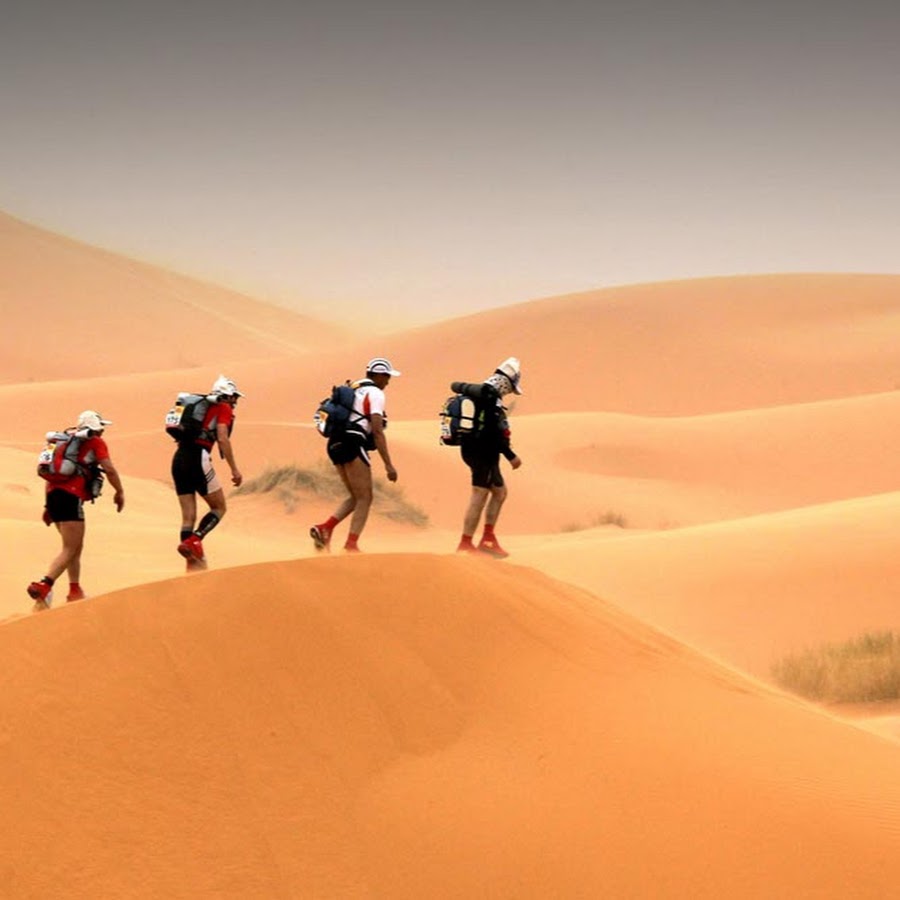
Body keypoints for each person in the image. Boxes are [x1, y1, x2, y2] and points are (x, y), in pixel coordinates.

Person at [27, 410, 125, 610]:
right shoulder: (95, 442)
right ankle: (45, 584)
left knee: (74, 548)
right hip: (70, 498)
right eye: (102, 427)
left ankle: (75, 590)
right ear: (96, 428)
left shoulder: (65, 443)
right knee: (70, 548)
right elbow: (110, 469)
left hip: (54, 497)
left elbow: (52, 478)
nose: (103, 431)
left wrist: (48, 507)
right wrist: (119, 491)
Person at [310, 357, 400, 553]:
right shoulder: (375, 393)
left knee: (356, 496)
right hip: (353, 442)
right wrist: (388, 465)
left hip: (334, 443)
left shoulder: (355, 388)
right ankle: (351, 545)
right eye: (386, 376)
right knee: (365, 498)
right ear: (376, 375)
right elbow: (377, 431)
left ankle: (325, 528)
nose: (388, 381)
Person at [452, 357, 523, 558]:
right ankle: (466, 543)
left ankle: (487, 538)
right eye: (510, 387)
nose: (509, 392)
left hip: (475, 449)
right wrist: (512, 456)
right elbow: (495, 433)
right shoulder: (490, 400)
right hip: (483, 452)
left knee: (499, 492)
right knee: (479, 494)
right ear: (506, 383)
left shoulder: (481, 395)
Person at [172, 375, 244, 570]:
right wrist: (234, 469)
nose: (235, 401)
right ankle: (195, 540)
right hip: (198, 456)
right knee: (219, 507)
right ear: (226, 396)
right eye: (234, 397)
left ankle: (192, 564)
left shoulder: (199, 407)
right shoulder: (223, 408)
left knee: (188, 517)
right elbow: (222, 438)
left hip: (179, 459)